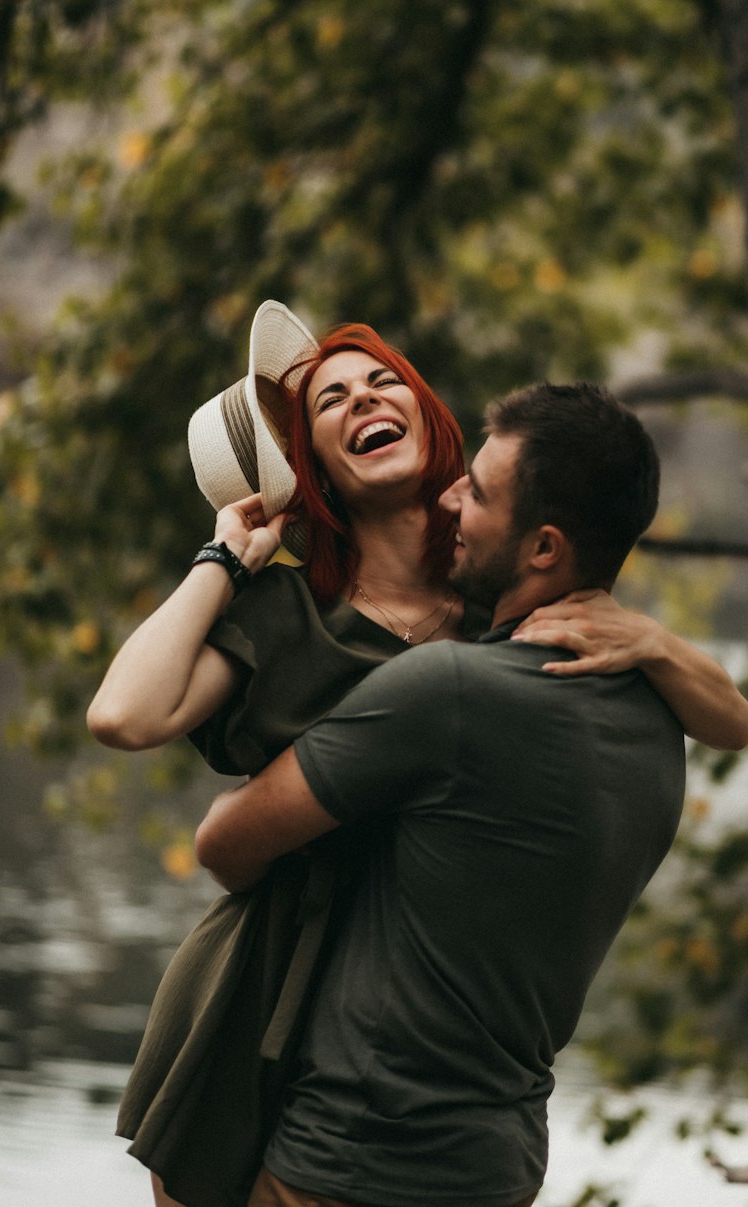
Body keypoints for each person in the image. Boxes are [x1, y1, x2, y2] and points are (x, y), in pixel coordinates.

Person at [88, 302, 748, 1207]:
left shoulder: (504, 601)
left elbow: (731, 722)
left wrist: (656, 642)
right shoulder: (291, 618)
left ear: (430, 422)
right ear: (311, 465)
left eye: (381, 381)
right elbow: (123, 715)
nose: (363, 401)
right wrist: (226, 557)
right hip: (259, 985)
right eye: (331, 403)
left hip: (398, 1027)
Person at [193, 380, 691, 1207]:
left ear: (543, 549)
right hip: (497, 1167)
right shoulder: (660, 717)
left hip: (349, 1159)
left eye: (481, 492)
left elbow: (223, 843)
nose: (451, 495)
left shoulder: (447, 690)